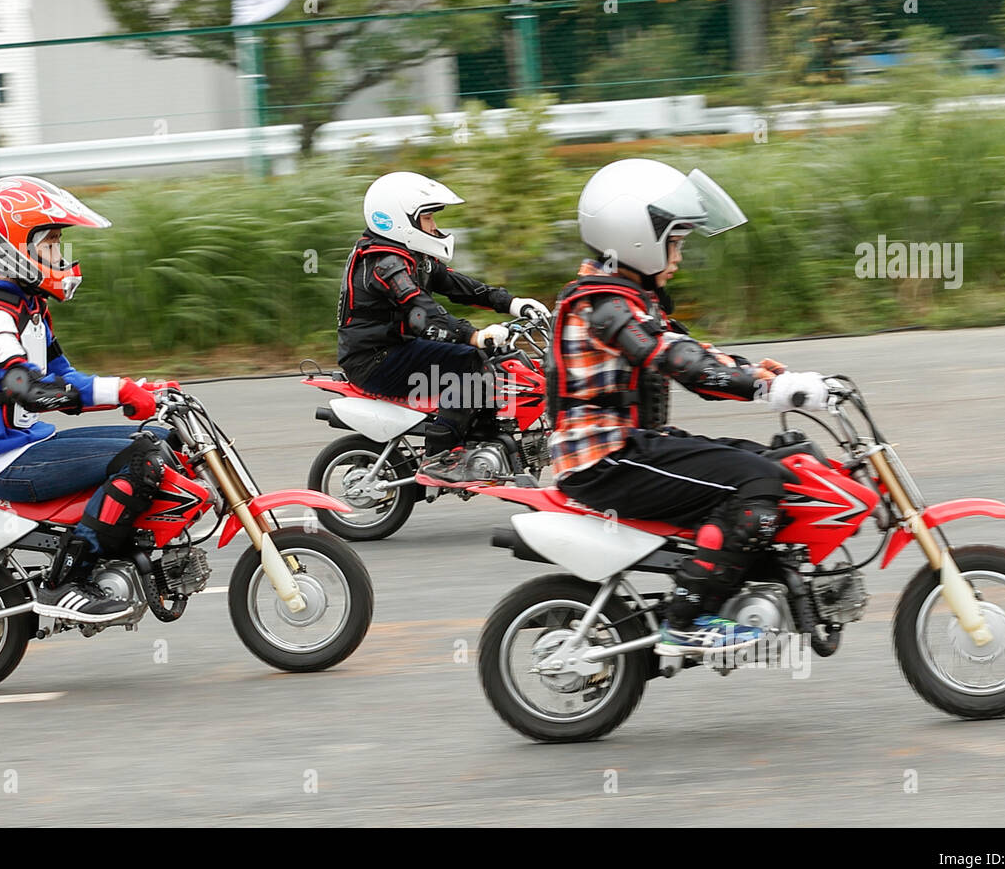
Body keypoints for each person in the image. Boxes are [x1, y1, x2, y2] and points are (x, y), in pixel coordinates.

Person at [546, 158, 831, 653]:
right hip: (605, 461)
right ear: (637, 236)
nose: (678, 255)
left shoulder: (630, 298)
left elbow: (695, 355)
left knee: (781, 464)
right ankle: (687, 618)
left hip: (634, 447)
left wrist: (762, 376)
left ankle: (758, 584)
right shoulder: (605, 306)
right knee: (755, 482)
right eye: (674, 241)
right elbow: (673, 359)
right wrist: (762, 392)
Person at [0, 175, 173, 624]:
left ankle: (125, 554)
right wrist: (119, 392)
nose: (59, 256)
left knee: (162, 439)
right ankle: (68, 580)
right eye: (49, 245)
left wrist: (140, 386)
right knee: (140, 461)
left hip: (30, 446)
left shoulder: (27, 308)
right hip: (2, 460)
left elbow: (63, 378)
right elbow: (27, 388)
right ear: (11, 245)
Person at [336, 171, 549, 484]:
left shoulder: (410, 256)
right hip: (373, 359)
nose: (434, 227)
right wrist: (473, 335)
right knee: (470, 360)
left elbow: (460, 286)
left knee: (498, 357)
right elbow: (423, 312)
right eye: (428, 218)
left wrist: (513, 303)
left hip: (396, 348)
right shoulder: (386, 264)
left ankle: (483, 441)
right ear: (400, 220)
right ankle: (441, 455)